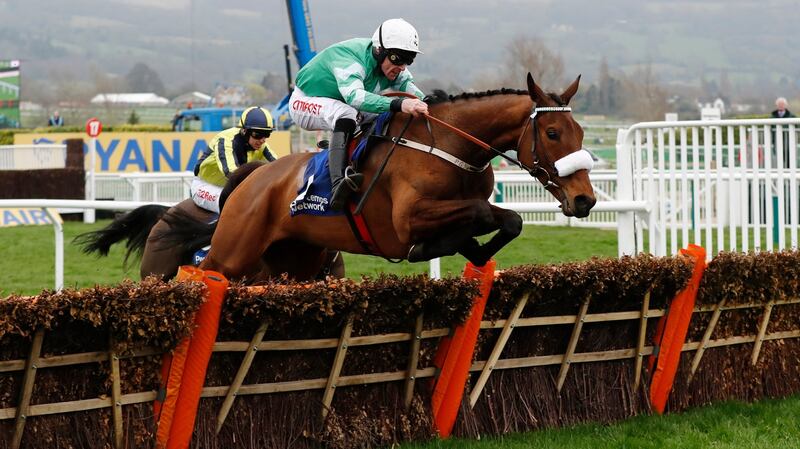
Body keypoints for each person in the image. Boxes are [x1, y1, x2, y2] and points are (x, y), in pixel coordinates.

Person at [289, 18, 429, 211]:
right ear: (379, 51)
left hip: (340, 101)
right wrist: (399, 103)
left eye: (409, 59)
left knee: (387, 115)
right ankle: (338, 183)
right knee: (348, 113)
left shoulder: (392, 67)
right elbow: (355, 98)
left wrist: (430, 104)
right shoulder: (350, 58)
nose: (402, 66)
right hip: (305, 100)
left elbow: (414, 93)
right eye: (398, 59)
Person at [190, 106, 277, 213]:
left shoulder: (261, 144)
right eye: (258, 134)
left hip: (230, 188)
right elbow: (232, 174)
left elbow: (278, 166)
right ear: (244, 131)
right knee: (234, 205)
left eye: (266, 134)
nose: (262, 140)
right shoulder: (226, 140)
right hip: (205, 186)